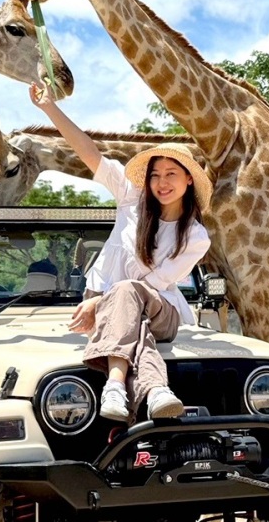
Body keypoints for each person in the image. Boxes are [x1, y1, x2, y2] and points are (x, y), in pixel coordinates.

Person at [29, 82, 213, 422]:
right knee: (135, 331)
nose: (162, 182)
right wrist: (49, 107)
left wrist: (99, 302)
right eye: (155, 175)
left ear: (189, 179)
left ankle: (114, 385)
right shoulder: (132, 199)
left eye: (171, 174)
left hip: (161, 311)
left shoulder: (196, 236)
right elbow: (90, 153)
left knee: (129, 294)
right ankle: (155, 391)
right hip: (111, 307)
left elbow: (153, 284)